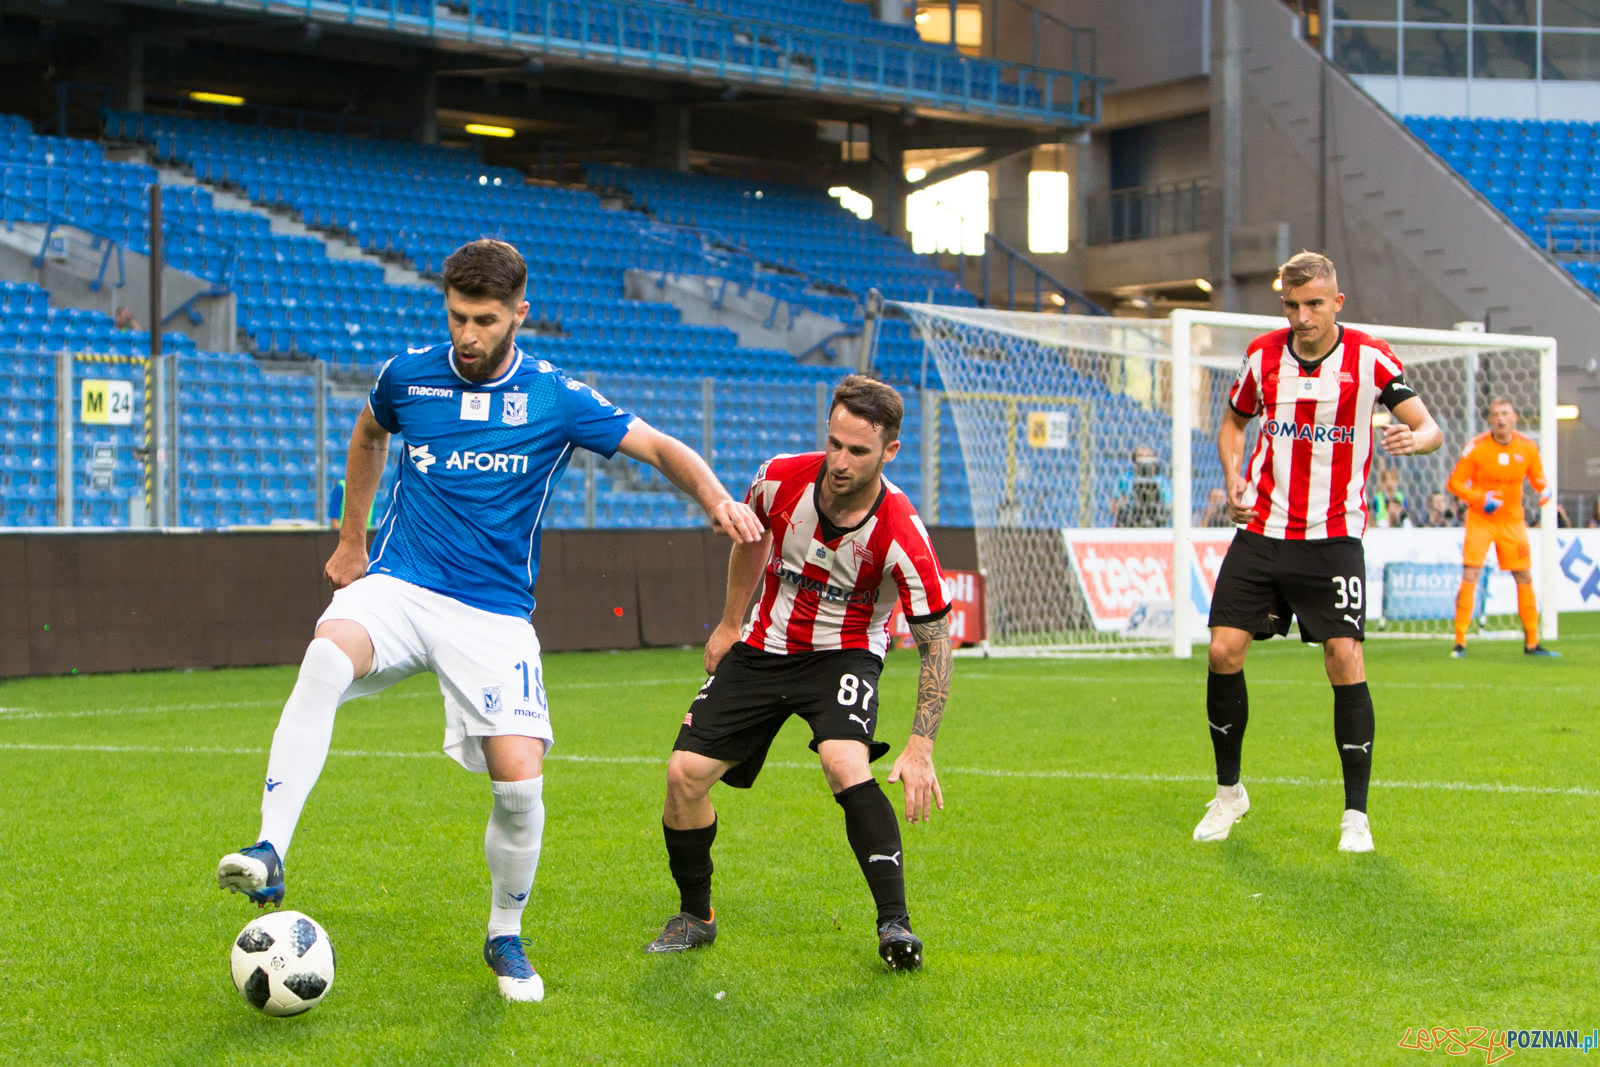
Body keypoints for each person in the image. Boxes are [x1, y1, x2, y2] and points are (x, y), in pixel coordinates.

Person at [215, 238, 762, 1003]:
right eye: (457, 317)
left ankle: (505, 935)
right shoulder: (408, 376)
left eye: (483, 319)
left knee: (518, 783)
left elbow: (658, 446)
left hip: (493, 613)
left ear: (518, 314)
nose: (467, 335)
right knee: (325, 654)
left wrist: (715, 500)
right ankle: (271, 846)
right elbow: (369, 433)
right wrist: (351, 537)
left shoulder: (554, 396)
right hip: (402, 585)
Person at [644, 374, 953, 971]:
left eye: (857, 450)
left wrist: (921, 744)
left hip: (845, 653)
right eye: (834, 442)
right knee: (683, 775)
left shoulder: (901, 532)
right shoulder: (781, 477)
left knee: (844, 762)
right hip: (763, 645)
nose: (839, 461)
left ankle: (895, 925)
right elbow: (749, 541)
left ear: (890, 452)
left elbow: (935, 641)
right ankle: (696, 916)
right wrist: (730, 623)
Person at [1194, 251, 1442, 855]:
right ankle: (1229, 794)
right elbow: (1232, 425)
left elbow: (1430, 427)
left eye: (1313, 304)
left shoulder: (1371, 357)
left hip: (1333, 537)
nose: (1302, 317)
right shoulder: (1261, 356)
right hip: (1263, 533)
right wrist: (1233, 479)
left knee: (1343, 658)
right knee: (1223, 651)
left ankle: (1355, 816)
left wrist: (1415, 440)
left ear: (1337, 302)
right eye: (1291, 305)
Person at [1446, 397, 1558, 659]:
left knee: (1523, 576)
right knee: (1471, 574)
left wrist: (1544, 490)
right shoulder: (1476, 447)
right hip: (1481, 520)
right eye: (1496, 414)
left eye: (1505, 413)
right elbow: (1455, 483)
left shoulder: (1528, 448)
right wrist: (1480, 499)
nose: (1500, 418)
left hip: (1512, 521)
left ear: (1514, 417)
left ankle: (1532, 642)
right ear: (1490, 419)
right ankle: (1460, 641)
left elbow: (1538, 477)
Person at [1113, 444, 1173, 527]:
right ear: (1134, 460)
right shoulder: (1125, 478)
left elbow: (1168, 504)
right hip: (1130, 520)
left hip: (1155, 520)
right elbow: (1115, 503)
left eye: (1148, 456)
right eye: (1141, 456)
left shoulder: (1162, 481)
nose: (1144, 460)